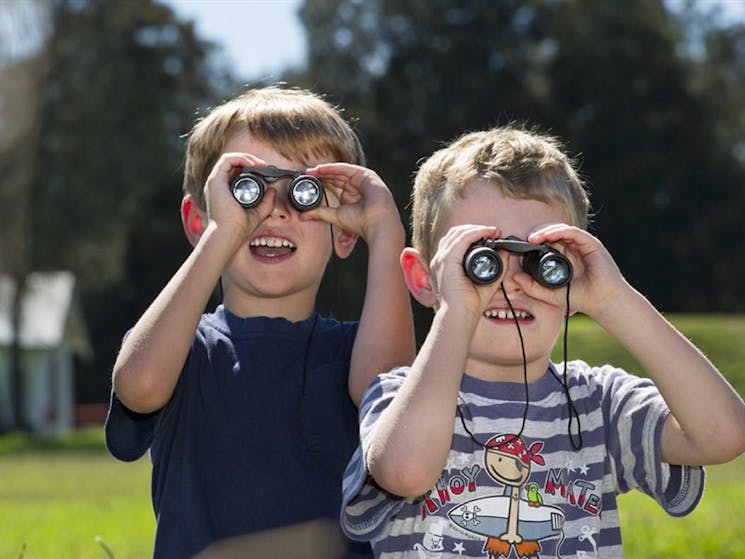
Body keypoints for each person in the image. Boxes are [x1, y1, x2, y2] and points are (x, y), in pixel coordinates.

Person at [340, 125, 745, 558]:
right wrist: (458, 308)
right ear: (425, 279)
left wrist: (612, 299)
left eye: (539, 261)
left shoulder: (598, 403)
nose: (511, 282)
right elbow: (405, 471)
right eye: (483, 257)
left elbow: (724, 435)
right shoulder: (400, 394)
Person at [105, 85, 415, 558]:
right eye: (246, 189)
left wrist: (386, 227)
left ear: (345, 234)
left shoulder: (356, 353)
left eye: (305, 192)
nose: (277, 210)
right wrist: (225, 228)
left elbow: (393, 405)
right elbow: (139, 385)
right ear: (198, 223)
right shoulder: (183, 349)